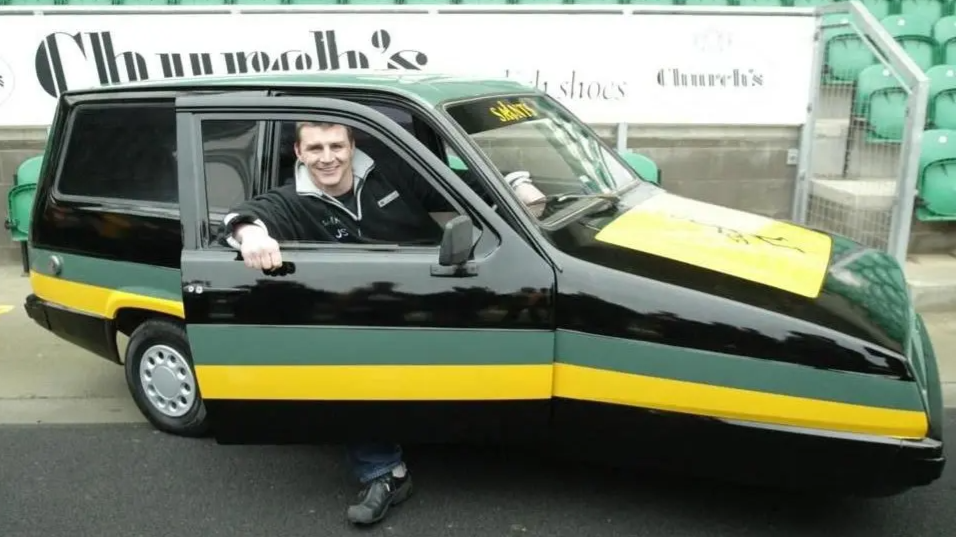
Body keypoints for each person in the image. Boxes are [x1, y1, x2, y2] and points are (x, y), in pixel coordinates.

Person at [220, 120, 544, 526]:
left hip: (434, 294)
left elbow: (465, 185)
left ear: (351, 145)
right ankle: (384, 472)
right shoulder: (291, 201)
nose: (327, 157)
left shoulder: (393, 171)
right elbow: (246, 217)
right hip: (363, 315)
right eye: (315, 148)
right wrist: (251, 236)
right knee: (346, 365)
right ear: (299, 154)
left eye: (336, 145)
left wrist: (515, 185)